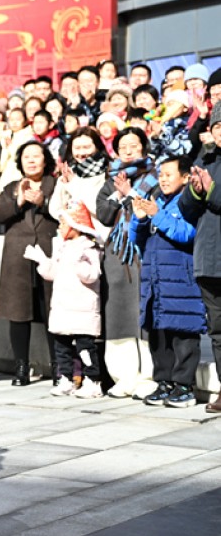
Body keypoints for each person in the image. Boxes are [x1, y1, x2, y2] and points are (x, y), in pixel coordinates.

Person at [131, 155, 205, 408]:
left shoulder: (188, 203)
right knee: (158, 335)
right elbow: (137, 241)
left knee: (183, 333)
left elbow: (186, 234)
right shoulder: (157, 202)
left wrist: (157, 214)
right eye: (160, 174)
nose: (162, 179)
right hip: (155, 280)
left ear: (185, 178)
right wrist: (139, 219)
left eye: (168, 174)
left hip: (180, 282)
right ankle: (164, 382)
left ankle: (184, 386)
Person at [96, 127, 158, 399]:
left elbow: (150, 210)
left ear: (144, 147)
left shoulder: (156, 177)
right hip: (117, 253)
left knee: (144, 314)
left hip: (144, 249)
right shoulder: (110, 180)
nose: (129, 150)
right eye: (123, 147)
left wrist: (132, 193)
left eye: (134, 145)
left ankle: (148, 377)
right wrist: (119, 194)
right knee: (118, 314)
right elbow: (104, 214)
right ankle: (123, 376)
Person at [0, 141, 58, 386]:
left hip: (49, 252)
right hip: (17, 257)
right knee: (18, 313)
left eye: (36, 156)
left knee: (53, 310)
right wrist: (17, 201)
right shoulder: (11, 187)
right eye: (26, 156)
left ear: (45, 160)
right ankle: (21, 366)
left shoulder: (56, 184)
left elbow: (67, 212)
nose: (31, 160)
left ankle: (58, 366)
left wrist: (43, 202)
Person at [25, 201, 104, 398]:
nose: (59, 227)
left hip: (82, 308)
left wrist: (79, 263)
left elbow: (93, 275)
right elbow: (54, 273)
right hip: (62, 306)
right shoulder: (62, 246)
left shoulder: (89, 248)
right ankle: (66, 378)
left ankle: (92, 380)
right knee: (61, 347)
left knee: (85, 347)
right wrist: (42, 261)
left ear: (75, 226)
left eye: (62, 223)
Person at [181, 103, 221, 412]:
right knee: (218, 330)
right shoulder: (204, 159)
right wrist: (195, 191)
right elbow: (187, 209)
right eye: (218, 126)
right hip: (210, 258)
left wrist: (212, 192)